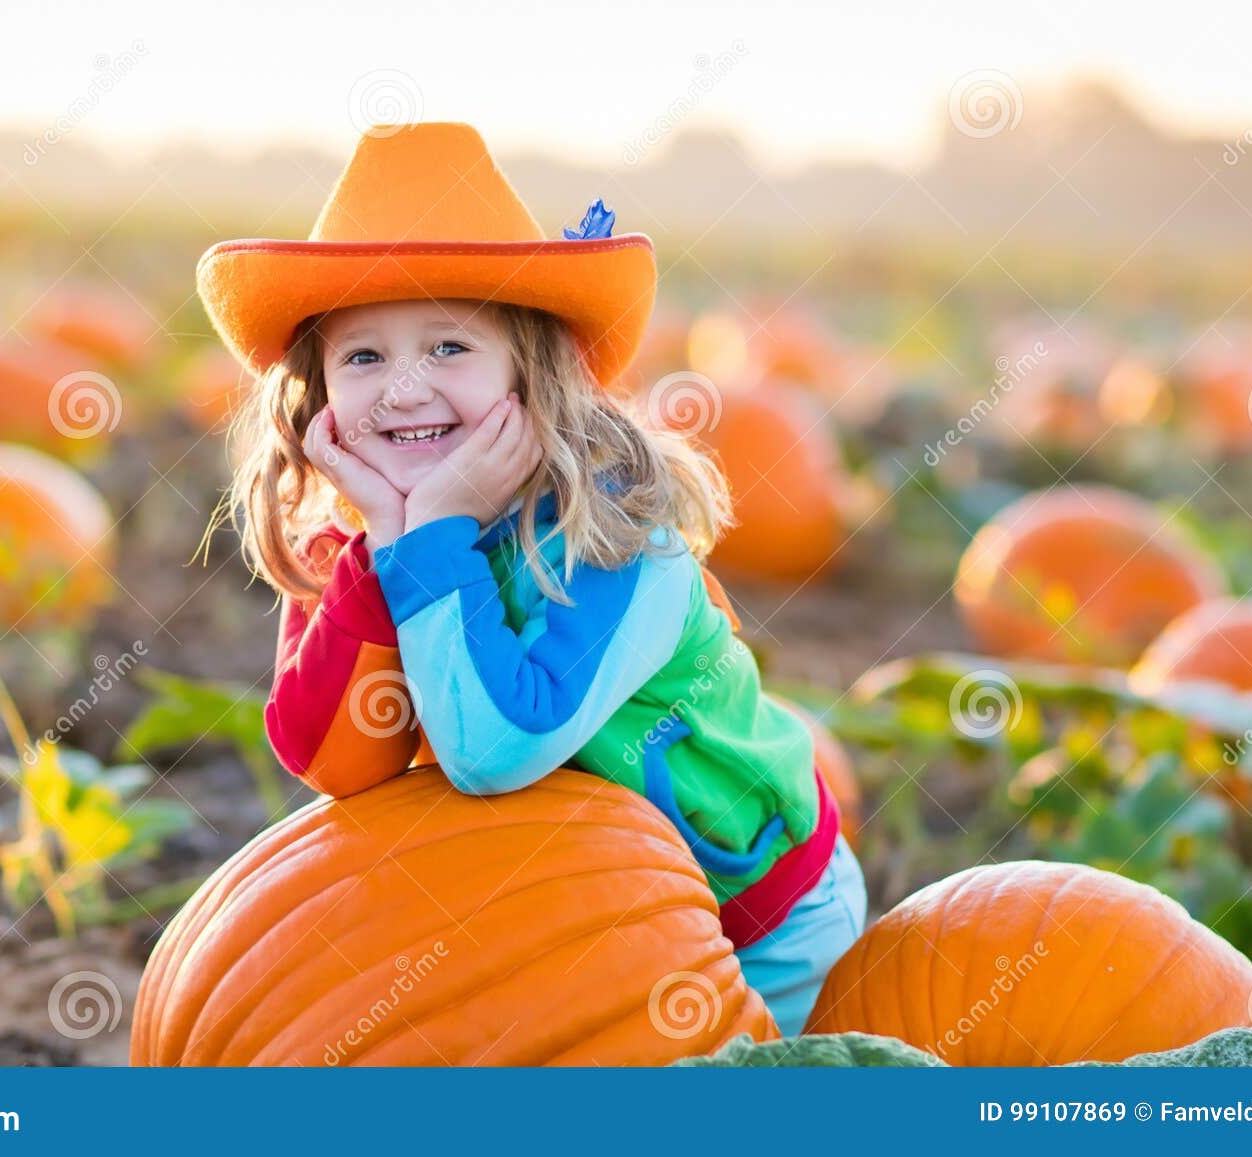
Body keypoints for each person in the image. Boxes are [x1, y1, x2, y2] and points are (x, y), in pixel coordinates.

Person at [203, 121, 866, 1035]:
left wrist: (431, 538)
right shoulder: (360, 539)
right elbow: (334, 759)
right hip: (574, 916)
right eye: (363, 356)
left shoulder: (621, 537)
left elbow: (495, 748)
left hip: (751, 928)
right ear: (319, 396)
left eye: (448, 347)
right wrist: (386, 548)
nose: (401, 390)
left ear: (535, 369)